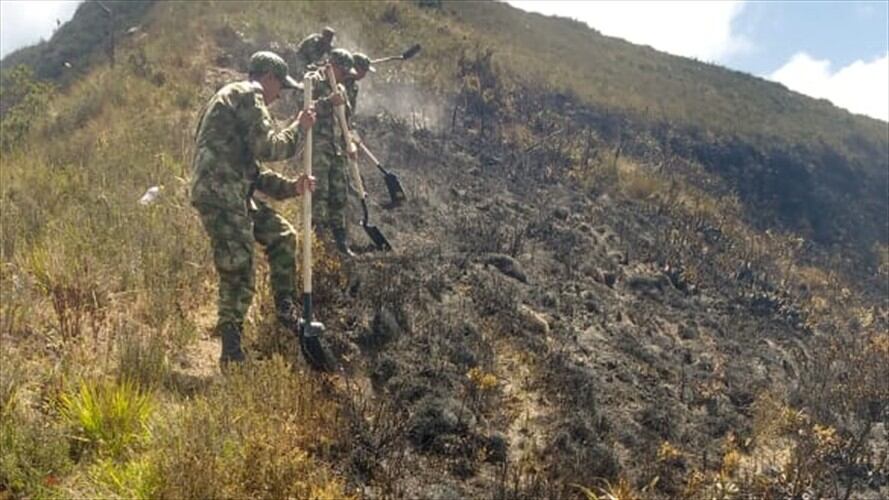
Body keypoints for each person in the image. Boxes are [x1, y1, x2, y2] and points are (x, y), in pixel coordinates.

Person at [191, 51, 318, 365]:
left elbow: (254, 170)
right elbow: (270, 147)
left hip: (234, 191)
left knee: (283, 235)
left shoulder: (231, 99)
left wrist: (292, 187)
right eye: (280, 88)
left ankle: (286, 309)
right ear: (269, 77)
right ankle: (231, 352)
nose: (279, 96)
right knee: (239, 268)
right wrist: (299, 128)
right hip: (222, 194)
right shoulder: (249, 95)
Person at [302, 48, 358, 256]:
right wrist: (327, 102)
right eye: (342, 71)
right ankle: (319, 242)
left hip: (337, 150)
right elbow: (304, 109)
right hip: (319, 148)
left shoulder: (341, 87)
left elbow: (346, 118)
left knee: (339, 194)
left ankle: (341, 242)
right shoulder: (312, 81)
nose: (345, 76)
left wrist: (350, 143)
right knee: (320, 194)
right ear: (332, 66)